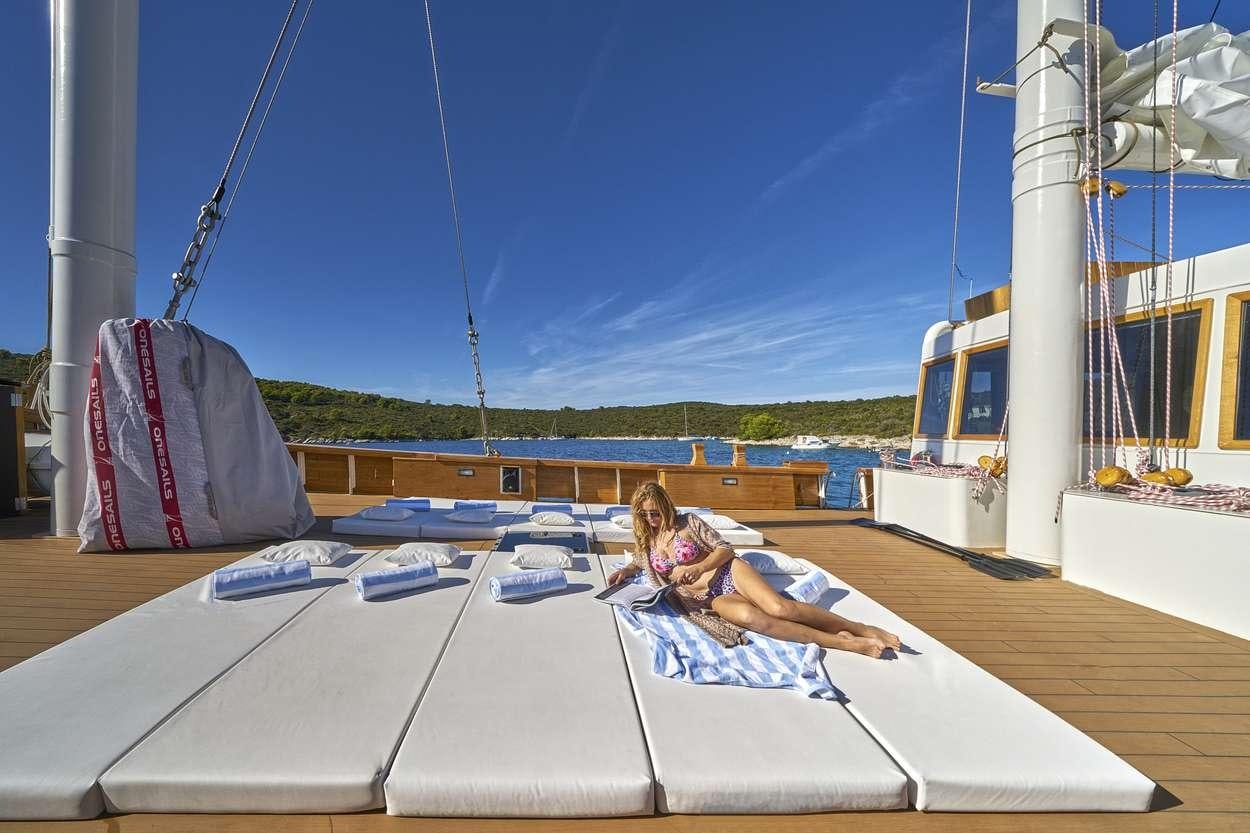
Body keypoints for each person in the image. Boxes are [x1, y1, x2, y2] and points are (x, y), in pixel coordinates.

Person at [607, 481, 900, 658]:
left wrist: (701, 566)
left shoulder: (689, 523)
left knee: (781, 609)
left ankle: (860, 628)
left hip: (727, 573)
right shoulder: (648, 540)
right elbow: (640, 560)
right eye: (643, 514)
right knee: (756, 620)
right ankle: (842, 642)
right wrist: (628, 569)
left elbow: (724, 548)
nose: (650, 519)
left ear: (666, 507)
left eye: (655, 513)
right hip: (706, 601)